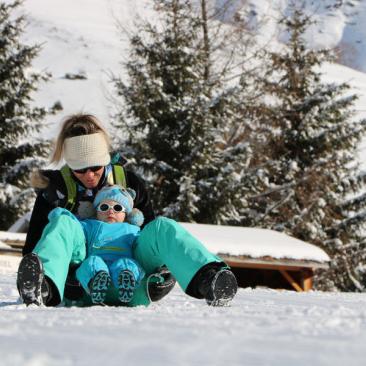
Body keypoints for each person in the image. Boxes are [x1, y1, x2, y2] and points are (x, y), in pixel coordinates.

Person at [17, 113, 238, 307]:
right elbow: (34, 247)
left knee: (162, 226)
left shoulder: (129, 182)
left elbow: (149, 235)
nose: (89, 175)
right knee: (63, 223)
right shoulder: (55, 190)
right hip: (79, 282)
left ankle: (209, 279)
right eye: (80, 170)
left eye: (95, 167)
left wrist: (161, 271)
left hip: (131, 276)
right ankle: (42, 286)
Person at [74, 185, 145, 305]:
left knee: (126, 263)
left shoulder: (131, 229)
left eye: (117, 208)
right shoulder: (91, 225)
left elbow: (143, 244)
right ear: (96, 212)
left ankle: (126, 280)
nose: (110, 211)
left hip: (121, 262)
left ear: (127, 215)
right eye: (104, 207)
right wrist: (61, 214)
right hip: (98, 264)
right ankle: (96, 281)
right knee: (92, 262)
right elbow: (73, 226)